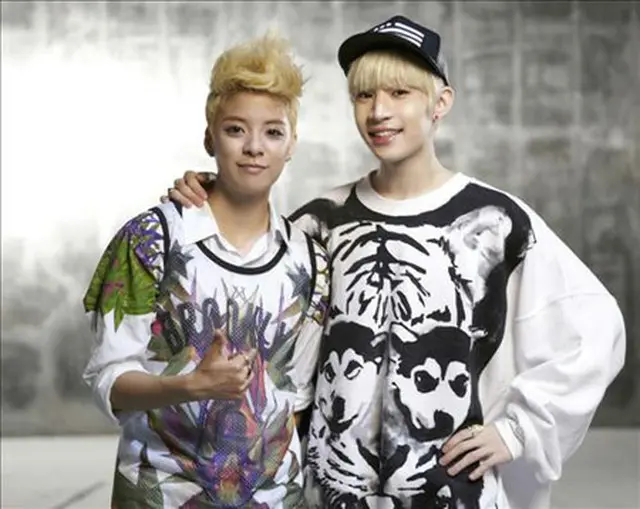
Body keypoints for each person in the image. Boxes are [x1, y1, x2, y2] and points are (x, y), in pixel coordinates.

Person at [162, 15, 626, 509]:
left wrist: (519, 431)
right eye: (364, 95)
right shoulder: (320, 220)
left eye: (400, 93)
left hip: (450, 492)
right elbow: (249, 295)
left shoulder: (496, 221)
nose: (379, 111)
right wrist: (213, 194)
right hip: (331, 493)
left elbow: (595, 329)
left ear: (440, 102)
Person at [82, 31, 329, 509]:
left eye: (273, 132)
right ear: (209, 137)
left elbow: (295, 400)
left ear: (292, 144)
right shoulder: (151, 240)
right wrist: (190, 385)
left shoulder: (310, 260)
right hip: (161, 494)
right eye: (236, 129)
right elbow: (109, 381)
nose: (254, 147)